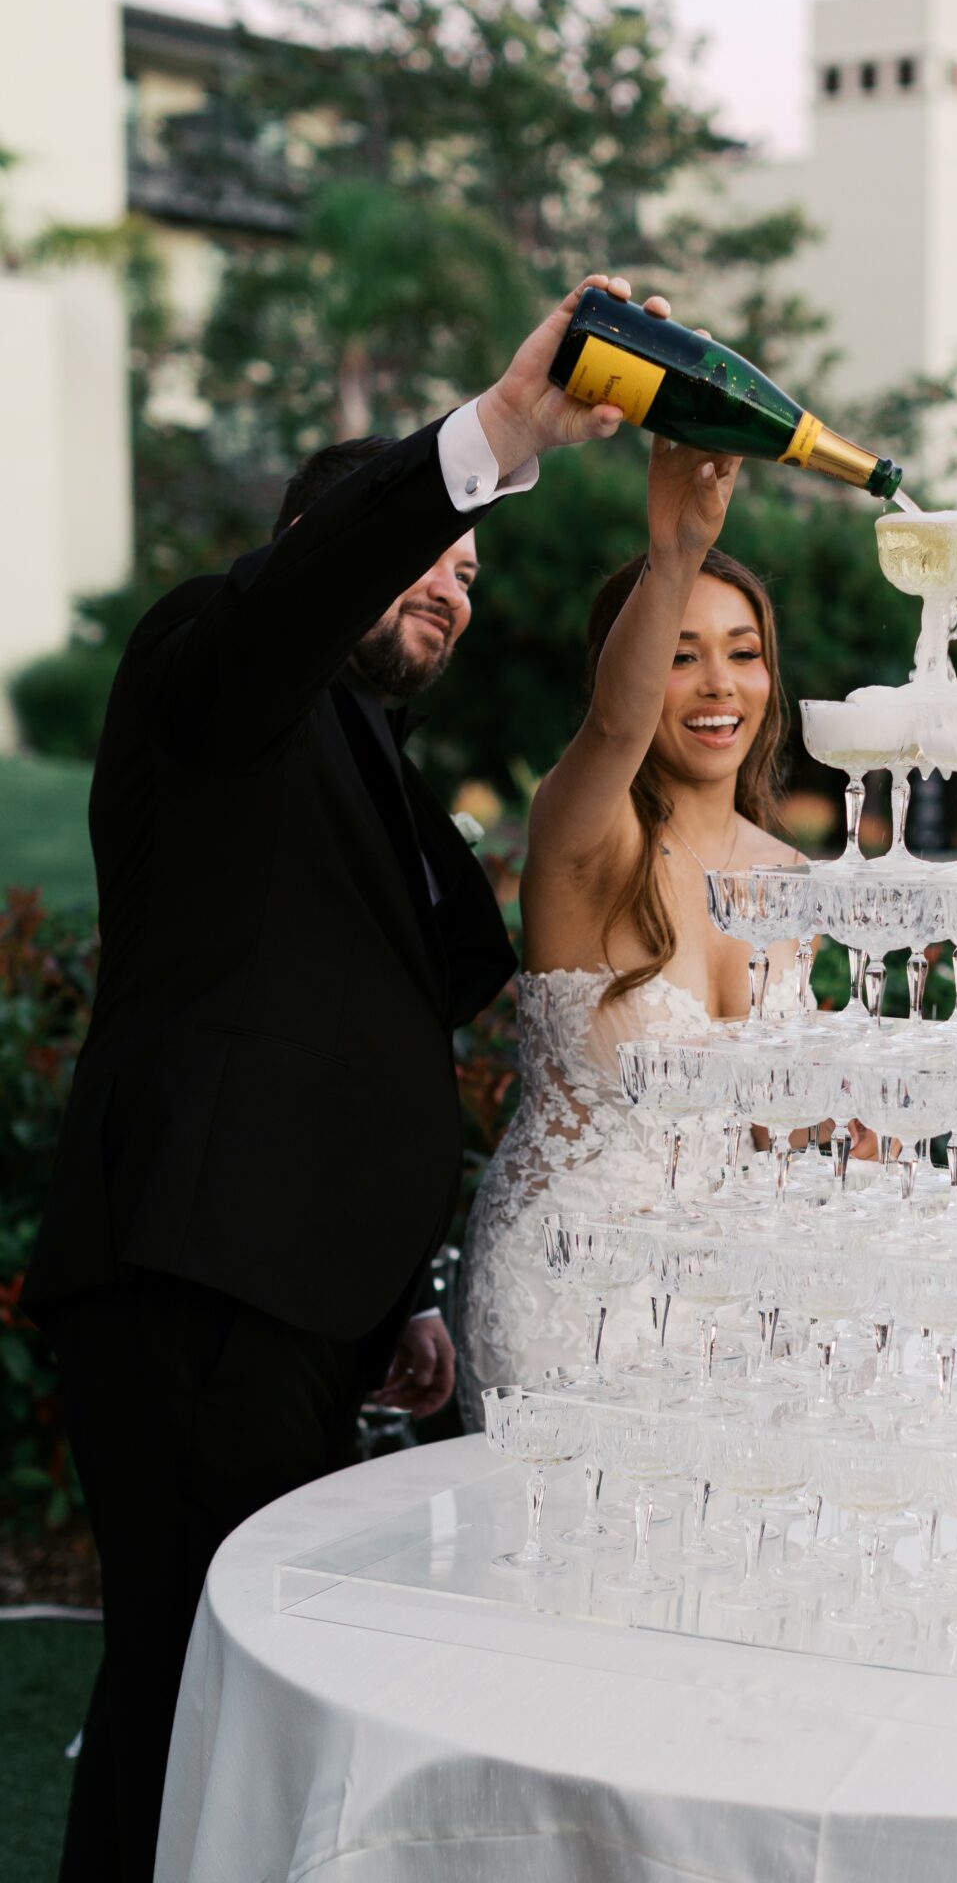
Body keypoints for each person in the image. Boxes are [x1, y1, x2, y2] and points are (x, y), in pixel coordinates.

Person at [22, 272, 664, 1883]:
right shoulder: (212, 672)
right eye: (420, 561)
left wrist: (398, 1295)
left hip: (302, 1305)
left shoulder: (375, 765)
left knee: (258, 1700)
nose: (447, 592)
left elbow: (390, 1012)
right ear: (318, 556)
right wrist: (506, 431)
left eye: (463, 581)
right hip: (198, 1277)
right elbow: (293, 605)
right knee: (194, 1681)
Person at [457, 435, 804, 1410]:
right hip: (572, 1296)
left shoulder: (797, 880)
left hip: (734, 1313)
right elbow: (614, 728)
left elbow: (787, 1129)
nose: (718, 685)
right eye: (680, 656)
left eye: (743, 653)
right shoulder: (584, 841)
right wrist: (675, 548)